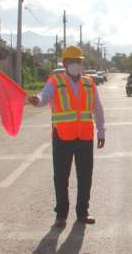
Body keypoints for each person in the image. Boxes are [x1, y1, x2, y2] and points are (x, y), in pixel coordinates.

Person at [28, 45, 106, 227]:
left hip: (85, 136)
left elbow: (98, 108)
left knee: (85, 175)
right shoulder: (55, 81)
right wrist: (36, 100)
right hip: (62, 136)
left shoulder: (89, 82)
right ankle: (61, 214)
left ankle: (83, 211)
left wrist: (101, 130)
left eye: (78, 61)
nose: (75, 64)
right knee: (61, 176)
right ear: (64, 63)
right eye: (71, 61)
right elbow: (44, 97)